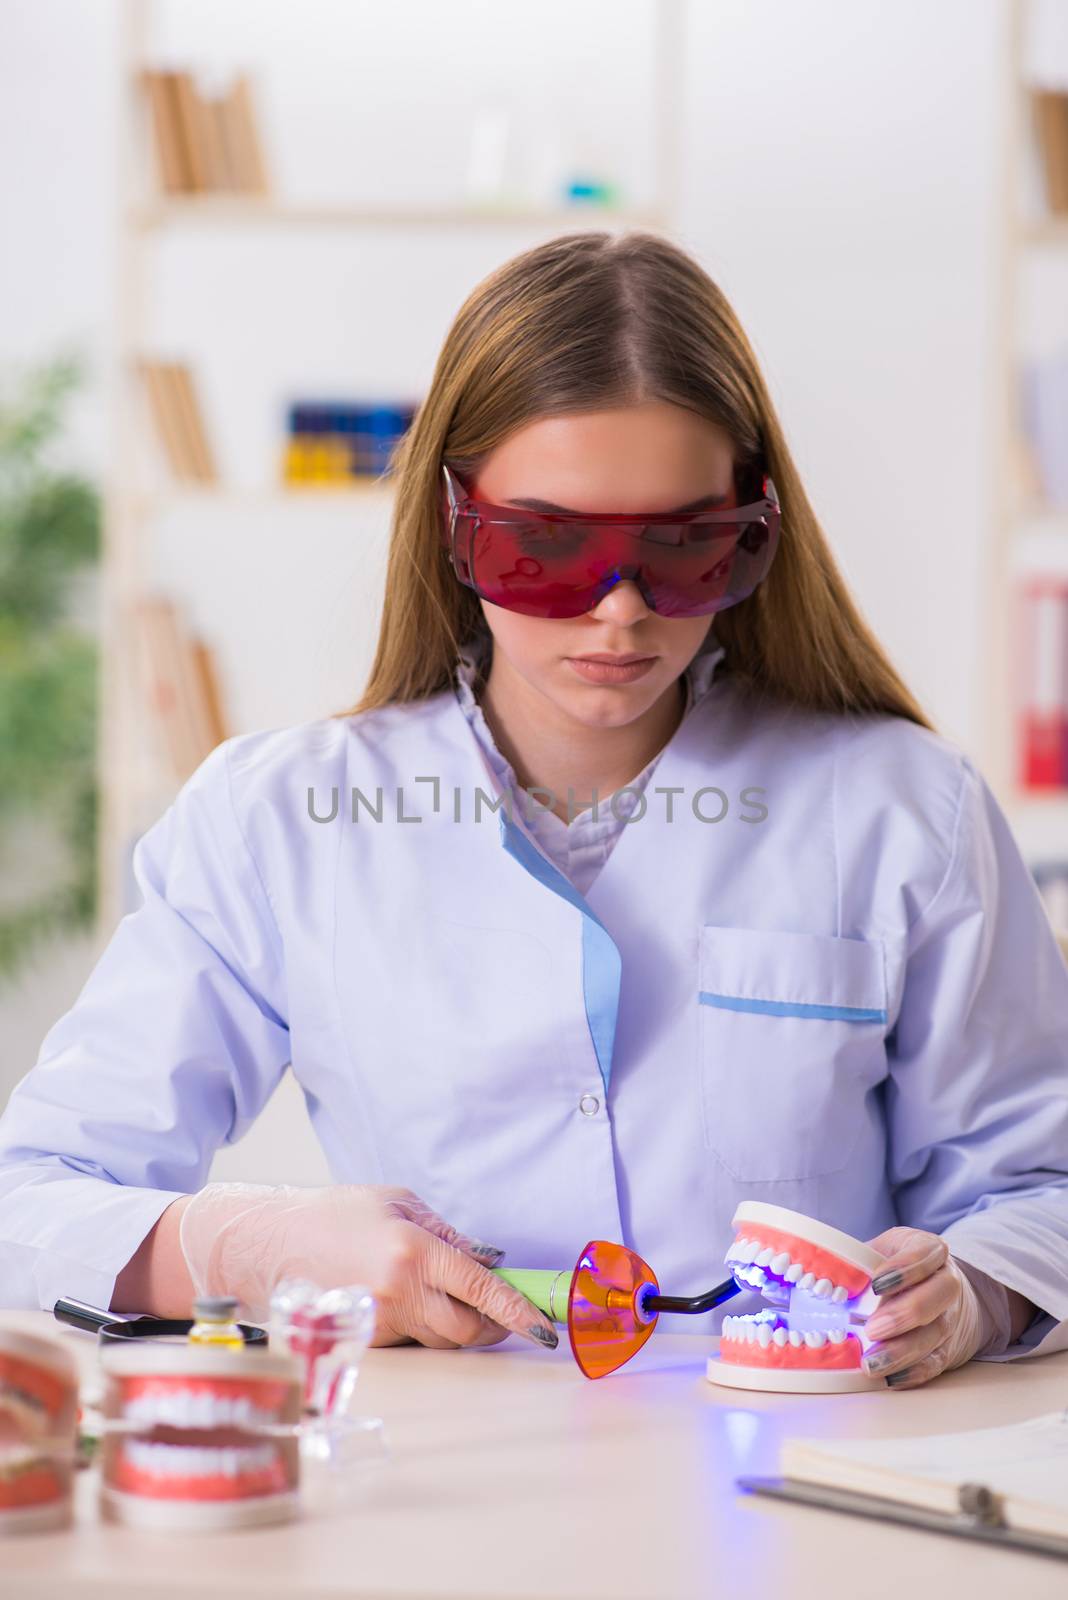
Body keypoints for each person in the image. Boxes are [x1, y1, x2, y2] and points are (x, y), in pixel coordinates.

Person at [1, 230, 1066, 1388]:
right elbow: (35, 1198)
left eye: (686, 548)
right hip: (442, 1502)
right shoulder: (277, 819)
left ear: (754, 526)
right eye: (549, 547)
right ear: (456, 524)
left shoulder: (905, 809)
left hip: (797, 1496)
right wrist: (249, 1244)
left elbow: (1041, 1185)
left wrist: (978, 1292)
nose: (619, 613)